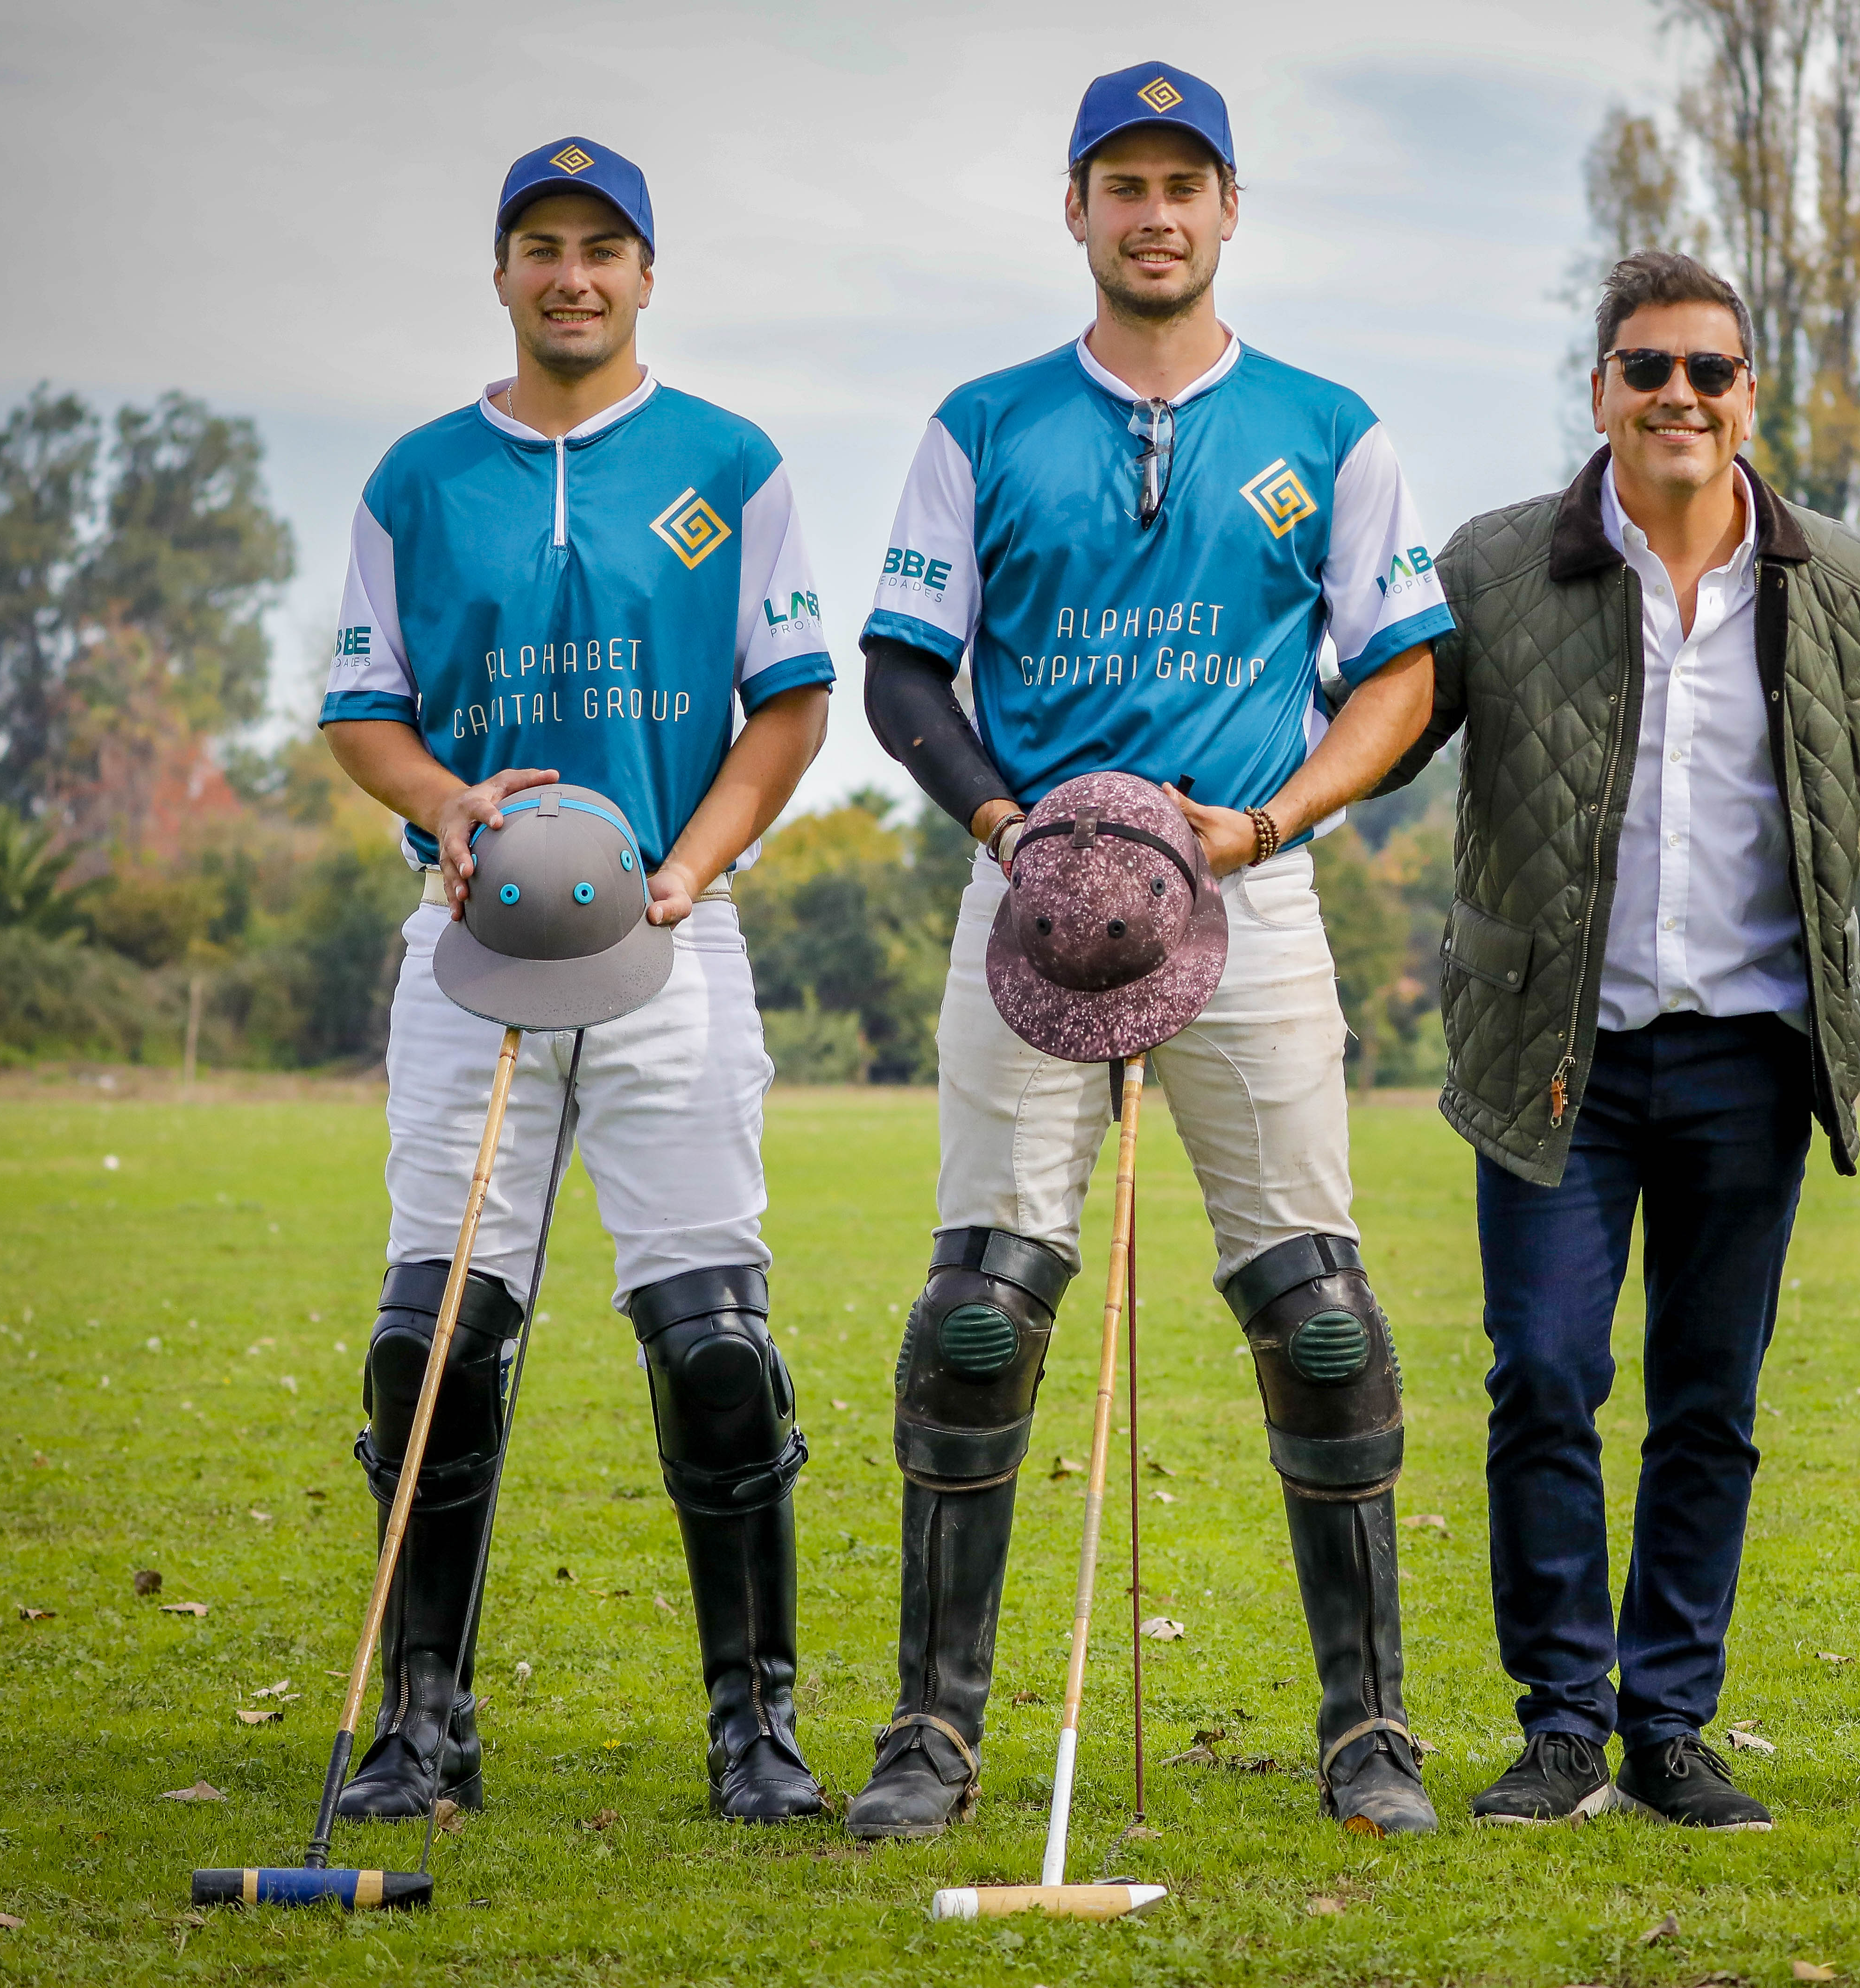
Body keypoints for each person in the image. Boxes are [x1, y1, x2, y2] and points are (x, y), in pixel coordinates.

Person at [845, 62, 1452, 1841]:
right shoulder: (981, 423)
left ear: (1229, 210)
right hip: (1030, 901)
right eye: (1125, 184)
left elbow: (1404, 676)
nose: (1156, 213)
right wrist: (1006, 831)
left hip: (1247, 897)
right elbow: (901, 668)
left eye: (1187, 184)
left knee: (1318, 1313)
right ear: (1077, 209)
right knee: (978, 1309)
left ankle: (1368, 1728)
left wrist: (1264, 825)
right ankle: (932, 1730)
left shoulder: (1330, 428)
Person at [319, 137, 835, 1823]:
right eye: (541, 245)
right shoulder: (414, 479)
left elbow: (789, 701)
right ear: (501, 272)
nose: (572, 275)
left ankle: (753, 1724)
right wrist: (446, 804)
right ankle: (424, 1719)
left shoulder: (729, 462)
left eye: (603, 248)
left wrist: (695, 866)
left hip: (670, 943)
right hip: (468, 946)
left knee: (715, 1343)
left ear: (645, 274)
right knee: (431, 1341)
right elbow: (364, 710)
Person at [1376, 251, 1860, 1830]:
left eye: (1708, 370)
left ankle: (1668, 1725)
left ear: (1749, 394)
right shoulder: (1494, 565)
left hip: (1752, 1055)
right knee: (1544, 1375)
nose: (1678, 394)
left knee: (1708, 1399)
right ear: (1599, 389)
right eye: (1646, 368)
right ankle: (1560, 1724)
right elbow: (1371, 727)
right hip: (1557, 1051)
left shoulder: (1835, 577)